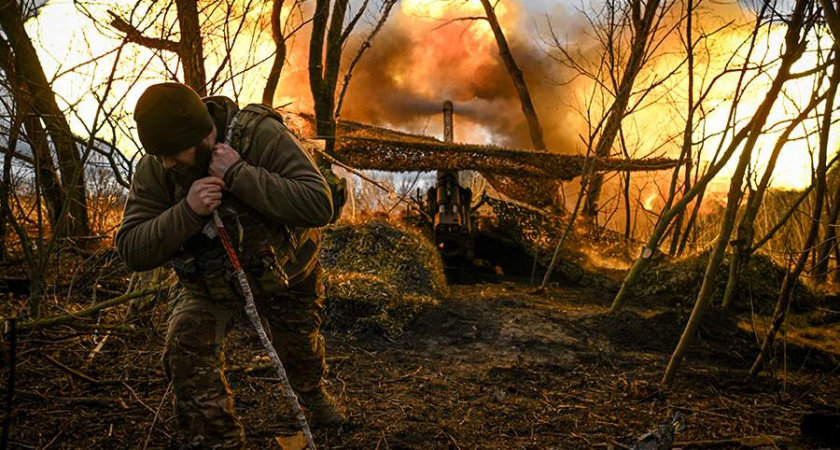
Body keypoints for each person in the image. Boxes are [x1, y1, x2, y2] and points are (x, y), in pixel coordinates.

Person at [116, 82, 344, 450]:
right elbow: (131, 249)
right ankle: (218, 441)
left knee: (301, 350)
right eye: (159, 156)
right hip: (209, 283)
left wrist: (238, 173)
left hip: (287, 272)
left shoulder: (260, 136)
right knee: (186, 350)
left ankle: (313, 395)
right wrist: (187, 211)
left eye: (175, 154)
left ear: (204, 135)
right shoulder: (159, 165)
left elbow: (319, 205)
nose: (166, 164)